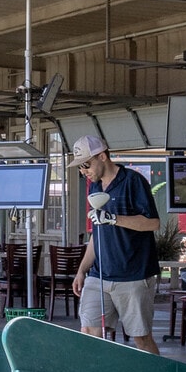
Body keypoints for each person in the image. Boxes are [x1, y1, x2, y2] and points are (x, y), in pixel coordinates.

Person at [68, 135, 162, 353]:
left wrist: (113, 219)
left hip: (133, 274)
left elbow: (153, 223)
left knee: (141, 338)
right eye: (79, 167)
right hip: (99, 275)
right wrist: (82, 270)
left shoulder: (133, 181)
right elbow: (97, 234)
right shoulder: (94, 188)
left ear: (102, 156)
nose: (83, 171)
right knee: (88, 331)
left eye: (86, 165)